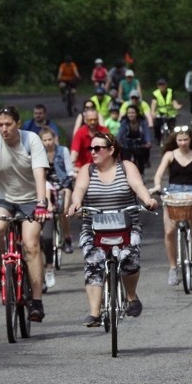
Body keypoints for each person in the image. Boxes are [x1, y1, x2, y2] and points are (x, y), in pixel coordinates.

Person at [67, 132, 157, 327]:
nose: (93, 152)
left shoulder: (126, 167)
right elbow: (79, 189)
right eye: (91, 148)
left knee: (129, 256)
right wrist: (76, 204)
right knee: (93, 261)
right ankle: (94, 313)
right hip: (94, 228)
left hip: (126, 226)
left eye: (97, 148)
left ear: (111, 150)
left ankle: (132, 297)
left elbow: (137, 184)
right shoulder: (87, 170)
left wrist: (147, 199)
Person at [0, 106, 50, 321]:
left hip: (32, 199)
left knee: (31, 244)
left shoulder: (31, 140)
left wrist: (42, 204)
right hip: (3, 197)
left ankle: (37, 301)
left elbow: (40, 174)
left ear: (18, 123)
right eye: (0, 125)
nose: (4, 129)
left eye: (8, 124)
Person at [152, 128, 192, 285]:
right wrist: (158, 185)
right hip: (172, 191)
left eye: (185, 140)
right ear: (175, 140)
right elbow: (159, 173)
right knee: (169, 231)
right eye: (180, 140)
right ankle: (173, 268)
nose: (183, 143)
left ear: (190, 140)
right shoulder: (170, 155)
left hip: (190, 190)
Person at [39, 128, 75, 289]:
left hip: (62, 184)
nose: (47, 143)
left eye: (49, 139)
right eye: (44, 140)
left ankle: (67, 237)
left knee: (64, 208)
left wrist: (66, 184)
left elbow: (68, 171)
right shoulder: (38, 153)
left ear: (54, 139)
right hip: (44, 186)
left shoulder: (63, 151)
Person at [70, 108, 110, 174]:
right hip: (82, 169)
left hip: (101, 168)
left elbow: (112, 149)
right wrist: (71, 167)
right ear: (85, 120)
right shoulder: (80, 133)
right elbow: (74, 152)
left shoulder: (104, 131)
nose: (93, 122)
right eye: (90, 120)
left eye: (95, 119)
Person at [116, 104, 153, 174]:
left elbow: (146, 132)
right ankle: (126, 175)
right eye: (129, 113)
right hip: (127, 144)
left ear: (137, 113)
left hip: (139, 143)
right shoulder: (124, 122)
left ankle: (142, 173)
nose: (131, 115)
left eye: (133, 113)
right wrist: (117, 142)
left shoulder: (143, 122)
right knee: (125, 160)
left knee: (141, 159)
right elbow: (120, 133)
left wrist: (148, 142)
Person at [150, 78, 183, 144]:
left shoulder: (170, 92)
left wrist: (177, 106)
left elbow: (174, 102)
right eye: (160, 85)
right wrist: (153, 112)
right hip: (160, 113)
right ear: (158, 86)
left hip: (170, 113)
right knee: (156, 125)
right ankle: (158, 138)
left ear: (166, 85)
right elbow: (154, 103)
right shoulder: (155, 93)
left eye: (163, 84)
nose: (161, 86)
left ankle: (171, 141)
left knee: (172, 129)